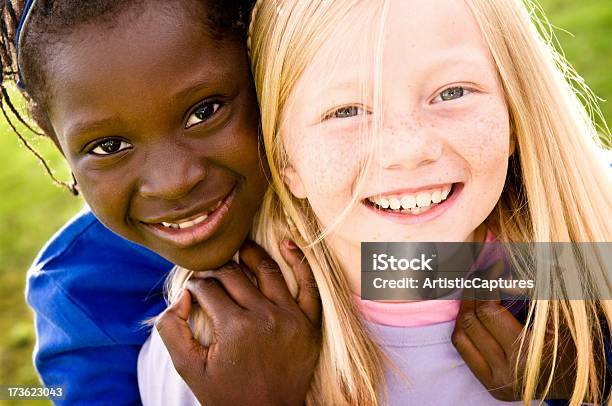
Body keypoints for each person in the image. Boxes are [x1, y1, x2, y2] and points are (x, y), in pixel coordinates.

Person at [146, 0, 611, 404]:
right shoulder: (213, 347)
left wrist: (595, 377)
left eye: (451, 92)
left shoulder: (585, 260)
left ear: (514, 110)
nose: (407, 150)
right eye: (346, 111)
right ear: (282, 158)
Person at [0, 0, 320, 404]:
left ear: (257, 69)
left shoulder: (340, 190)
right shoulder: (80, 300)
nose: (172, 184)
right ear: (59, 147)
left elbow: (423, 275)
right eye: (109, 146)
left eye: (204, 112)